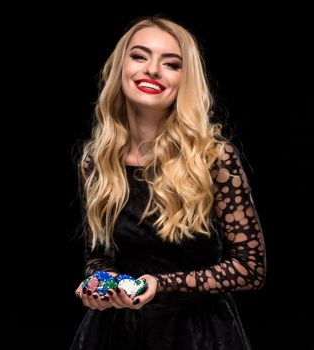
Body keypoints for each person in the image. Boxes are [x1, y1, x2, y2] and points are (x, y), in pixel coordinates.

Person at [70, 16, 266, 350]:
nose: (153, 70)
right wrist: (99, 285)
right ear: (120, 67)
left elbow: (250, 268)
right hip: (115, 334)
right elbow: (98, 258)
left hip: (198, 335)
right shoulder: (96, 160)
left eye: (171, 64)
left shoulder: (213, 158)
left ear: (184, 81)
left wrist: (161, 285)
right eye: (139, 56)